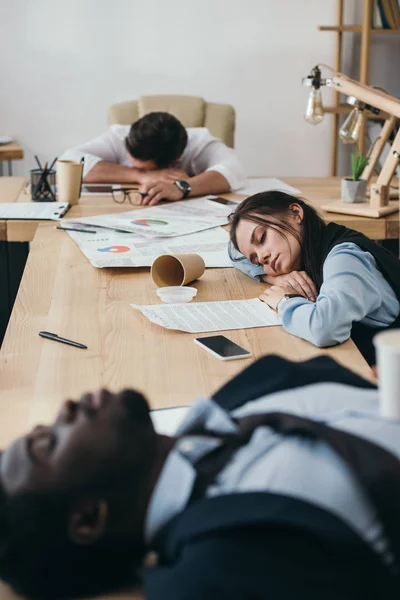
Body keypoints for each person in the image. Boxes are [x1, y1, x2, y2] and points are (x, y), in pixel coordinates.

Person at [0, 354, 399, 600]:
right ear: (89, 518)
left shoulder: (237, 401)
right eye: (49, 443)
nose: (65, 408)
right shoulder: (216, 573)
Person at [228, 191, 400, 365]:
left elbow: (325, 328)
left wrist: (285, 300)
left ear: (295, 214)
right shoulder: (313, 248)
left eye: (262, 237)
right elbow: (233, 253)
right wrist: (276, 278)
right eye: (256, 260)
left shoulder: (344, 258)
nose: (262, 257)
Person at [59, 112, 246, 206]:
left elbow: (234, 169)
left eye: (147, 169)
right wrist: (141, 176)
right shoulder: (121, 136)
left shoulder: (201, 142)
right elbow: (69, 160)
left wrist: (180, 188)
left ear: (176, 161)